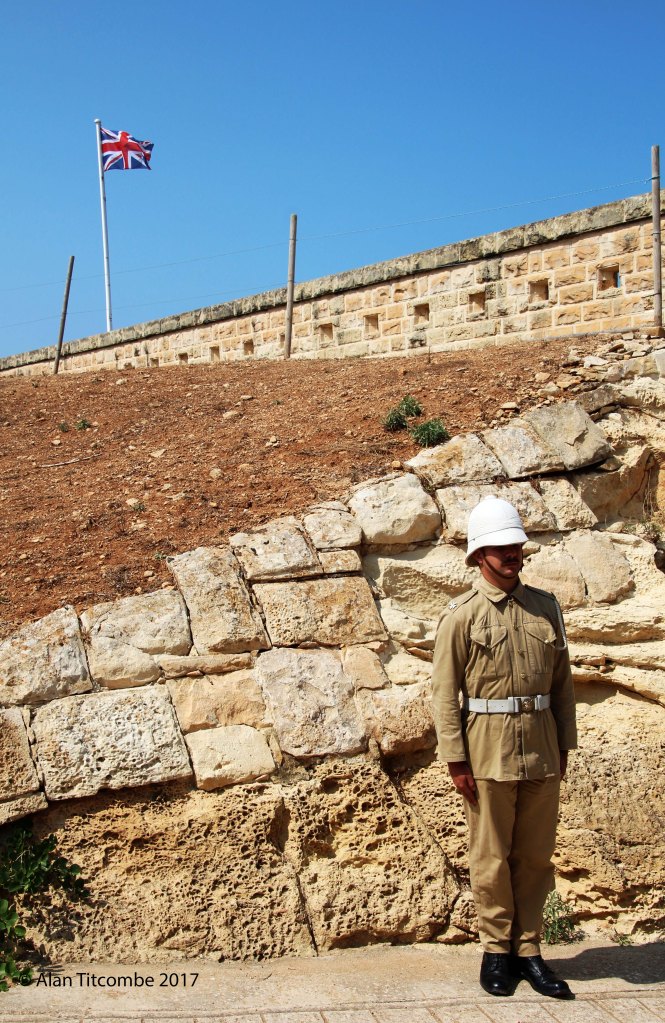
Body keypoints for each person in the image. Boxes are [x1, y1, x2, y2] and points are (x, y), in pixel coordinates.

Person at [431, 495, 577, 1000]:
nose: (512, 553)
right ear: (478, 555)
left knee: (535, 856)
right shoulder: (461, 615)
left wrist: (564, 744)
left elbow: (562, 684)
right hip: (486, 751)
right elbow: (444, 694)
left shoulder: (546, 607)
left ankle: (529, 950)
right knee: (491, 856)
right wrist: (456, 759)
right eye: (500, 547)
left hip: (541, 748)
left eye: (516, 545)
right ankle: (496, 950)